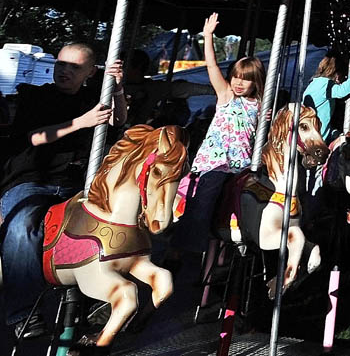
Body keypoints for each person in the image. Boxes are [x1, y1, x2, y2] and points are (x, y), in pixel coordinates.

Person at [0, 43, 126, 339]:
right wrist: (79, 124)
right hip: (32, 179)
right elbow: (34, 137)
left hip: (74, 183)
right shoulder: (35, 96)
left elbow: (118, 122)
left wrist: (118, 88)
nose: (64, 71)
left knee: (114, 228)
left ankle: (96, 302)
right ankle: (23, 313)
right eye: (61, 64)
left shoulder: (94, 98)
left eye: (74, 67)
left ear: (90, 73)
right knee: (22, 227)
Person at [167, 13, 265, 260]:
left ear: (256, 83)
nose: (239, 83)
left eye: (246, 79)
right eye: (236, 77)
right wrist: (208, 36)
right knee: (206, 197)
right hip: (217, 162)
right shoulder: (226, 96)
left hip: (242, 165)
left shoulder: (260, 106)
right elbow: (212, 67)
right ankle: (184, 247)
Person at [124, 49, 214, 128]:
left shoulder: (154, 87)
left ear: (138, 68)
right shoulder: (116, 87)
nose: (121, 70)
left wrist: (215, 89)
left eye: (124, 66)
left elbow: (185, 88)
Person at [302, 51, 350, 144]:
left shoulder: (315, 83)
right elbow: (341, 91)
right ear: (337, 74)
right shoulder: (324, 84)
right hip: (317, 136)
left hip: (313, 132)